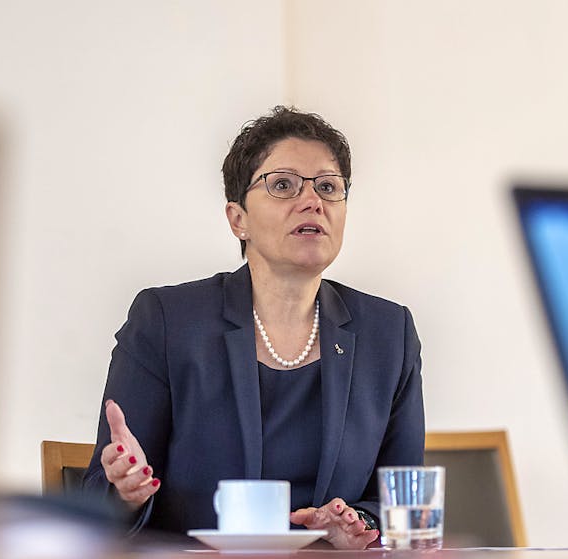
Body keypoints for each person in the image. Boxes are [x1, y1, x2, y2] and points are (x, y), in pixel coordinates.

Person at [82, 106, 425, 550]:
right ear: (237, 219)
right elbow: (97, 496)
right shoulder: (167, 321)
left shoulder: (389, 333)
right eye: (283, 185)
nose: (313, 201)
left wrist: (357, 523)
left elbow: (400, 499)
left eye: (327, 187)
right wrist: (125, 492)